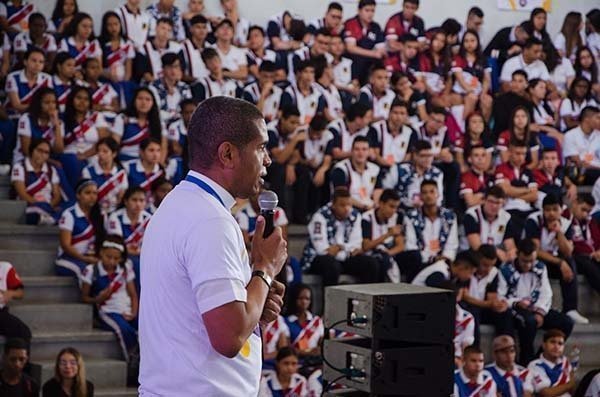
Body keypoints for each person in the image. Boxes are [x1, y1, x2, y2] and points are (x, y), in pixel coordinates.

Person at [139, 97, 287, 396]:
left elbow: (213, 317)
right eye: (260, 147)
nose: (268, 159)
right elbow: (228, 337)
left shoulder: (181, 203)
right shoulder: (210, 221)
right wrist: (264, 269)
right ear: (228, 154)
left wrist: (252, 304)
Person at [497, 238, 574, 364]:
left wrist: (540, 311)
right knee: (529, 322)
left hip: (536, 307)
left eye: (531, 261)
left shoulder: (540, 267)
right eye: (524, 261)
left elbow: (546, 292)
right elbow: (501, 297)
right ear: (518, 254)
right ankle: (525, 360)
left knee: (566, 322)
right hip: (515, 308)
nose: (527, 265)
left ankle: (540, 357)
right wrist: (516, 302)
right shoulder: (505, 270)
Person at [302, 186, 383, 287]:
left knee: (371, 264)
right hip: (318, 259)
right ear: (333, 204)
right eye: (342, 205)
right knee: (332, 265)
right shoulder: (320, 217)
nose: (347, 209)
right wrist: (347, 248)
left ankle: (366, 300)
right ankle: (330, 301)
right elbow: (322, 249)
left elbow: (356, 243)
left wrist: (341, 247)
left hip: (344, 256)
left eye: (349, 205)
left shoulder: (355, 216)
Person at [524, 194, 586, 324]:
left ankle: (570, 309)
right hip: (535, 260)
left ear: (561, 209)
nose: (551, 213)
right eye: (547, 210)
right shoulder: (533, 220)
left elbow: (568, 251)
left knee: (570, 262)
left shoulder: (566, 223)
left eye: (554, 209)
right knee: (554, 263)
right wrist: (560, 262)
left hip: (554, 260)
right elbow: (534, 251)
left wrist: (559, 232)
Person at [81, 235, 139, 361]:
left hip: (126, 309)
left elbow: (133, 294)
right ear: (101, 253)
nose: (112, 261)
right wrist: (98, 299)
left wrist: (134, 312)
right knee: (124, 330)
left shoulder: (125, 269)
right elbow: (84, 297)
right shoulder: (91, 270)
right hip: (108, 311)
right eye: (108, 257)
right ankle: (132, 360)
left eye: (116, 258)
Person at [461, 245, 515, 345]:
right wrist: (476, 301)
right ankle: (474, 349)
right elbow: (463, 297)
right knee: (472, 314)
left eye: (491, 265)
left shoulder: (494, 273)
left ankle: (507, 347)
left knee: (504, 313)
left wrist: (497, 305)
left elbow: (491, 301)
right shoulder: (467, 270)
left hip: (483, 309)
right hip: (467, 308)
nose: (488, 269)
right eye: (485, 265)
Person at [56, 179, 105, 279]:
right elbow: (66, 245)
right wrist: (84, 258)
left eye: (95, 193)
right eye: (87, 193)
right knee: (87, 272)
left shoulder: (101, 215)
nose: (92, 197)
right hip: (68, 258)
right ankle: (86, 295)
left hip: (92, 256)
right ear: (78, 195)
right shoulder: (69, 214)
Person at [106, 187, 151, 293]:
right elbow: (116, 245)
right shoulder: (116, 217)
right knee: (136, 264)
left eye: (141, 200)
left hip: (143, 254)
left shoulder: (149, 219)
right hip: (122, 255)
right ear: (126, 201)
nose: (138, 204)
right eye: (134, 200)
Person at [404, 180, 458, 266]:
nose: (428, 195)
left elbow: (452, 245)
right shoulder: (411, 217)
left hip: (444, 262)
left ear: (438, 194)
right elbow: (411, 246)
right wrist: (431, 259)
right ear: (420, 196)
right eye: (424, 193)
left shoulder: (450, 217)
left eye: (432, 192)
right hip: (420, 262)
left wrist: (444, 259)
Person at [11, 138, 63, 225]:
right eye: (39, 151)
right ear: (32, 150)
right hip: (28, 205)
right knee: (34, 212)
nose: (42, 155)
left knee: (65, 210)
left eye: (46, 153)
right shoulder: (19, 167)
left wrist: (49, 205)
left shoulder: (51, 170)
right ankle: (51, 218)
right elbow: (22, 194)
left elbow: (57, 196)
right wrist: (43, 205)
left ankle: (47, 218)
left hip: (48, 204)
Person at [382, 139, 444, 210]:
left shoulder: (437, 173)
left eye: (430, 156)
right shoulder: (399, 169)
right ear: (415, 155)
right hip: (400, 209)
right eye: (423, 156)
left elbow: (439, 198)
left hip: (426, 211)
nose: (428, 159)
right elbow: (386, 191)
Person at [495, 139, 539, 237]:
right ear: (510, 153)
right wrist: (526, 190)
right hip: (509, 209)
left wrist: (512, 194)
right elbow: (504, 190)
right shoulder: (501, 168)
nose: (521, 157)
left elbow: (534, 195)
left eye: (523, 154)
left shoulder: (527, 171)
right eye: (517, 153)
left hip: (527, 209)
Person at [463, 187, 517, 263]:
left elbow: (510, 244)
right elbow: (476, 246)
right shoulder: (472, 215)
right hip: (473, 256)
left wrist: (511, 254)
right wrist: (497, 251)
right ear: (484, 200)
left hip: (496, 258)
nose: (494, 206)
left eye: (498, 203)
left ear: (503, 203)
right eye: (491, 202)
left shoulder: (506, 217)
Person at [361, 189, 404, 283]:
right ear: (381, 204)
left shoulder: (397, 217)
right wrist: (388, 234)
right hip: (369, 255)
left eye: (396, 207)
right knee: (376, 263)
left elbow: (400, 246)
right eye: (391, 206)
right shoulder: (367, 218)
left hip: (387, 254)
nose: (393, 211)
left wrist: (388, 253)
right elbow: (366, 246)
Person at [113, 87, 166, 162]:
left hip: (150, 164)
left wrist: (158, 167)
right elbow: (115, 145)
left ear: (153, 103)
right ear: (134, 101)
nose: (143, 103)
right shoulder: (122, 118)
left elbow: (163, 147)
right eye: (140, 98)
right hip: (125, 162)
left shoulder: (159, 122)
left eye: (148, 99)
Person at [330, 136, 381, 211]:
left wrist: (375, 205)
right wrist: (364, 207)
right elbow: (341, 196)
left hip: (369, 207)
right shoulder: (341, 169)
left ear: (369, 152)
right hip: (347, 207)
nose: (360, 153)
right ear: (352, 151)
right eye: (357, 149)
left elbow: (378, 190)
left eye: (364, 149)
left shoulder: (375, 169)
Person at [81, 137, 128, 216]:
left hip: (115, 212)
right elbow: (86, 197)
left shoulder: (121, 173)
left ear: (114, 154)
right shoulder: (88, 171)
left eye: (105, 151)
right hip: (94, 212)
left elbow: (121, 196)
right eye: (99, 151)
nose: (100, 154)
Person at [342, 0, 385, 85]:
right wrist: (373, 53)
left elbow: (380, 50)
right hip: (353, 62)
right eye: (367, 10)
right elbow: (351, 48)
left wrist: (376, 54)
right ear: (359, 11)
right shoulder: (351, 23)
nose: (370, 14)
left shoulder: (376, 27)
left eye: (372, 11)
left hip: (369, 64)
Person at [368, 98, 417, 168]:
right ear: (389, 113)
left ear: (406, 116)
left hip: (400, 169)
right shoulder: (376, 128)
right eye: (395, 113)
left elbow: (408, 155)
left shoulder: (410, 132)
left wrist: (397, 169)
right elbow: (374, 154)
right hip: (379, 167)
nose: (399, 117)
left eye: (402, 113)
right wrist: (389, 166)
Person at [526, 329, 576, 397]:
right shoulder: (535, 365)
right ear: (544, 345)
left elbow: (572, 391)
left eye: (560, 344)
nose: (556, 347)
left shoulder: (565, 364)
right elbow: (546, 393)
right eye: (552, 342)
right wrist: (570, 384)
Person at [5, 48, 52, 117]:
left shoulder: (47, 78)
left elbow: (48, 102)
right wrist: (40, 107)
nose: (37, 64)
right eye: (34, 61)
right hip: (14, 116)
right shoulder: (13, 77)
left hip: (37, 116)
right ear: (25, 62)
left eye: (41, 62)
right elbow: (16, 105)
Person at [148, 53, 192, 124]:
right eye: (169, 67)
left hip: (180, 126)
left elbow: (189, 109)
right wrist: (174, 115)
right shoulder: (154, 87)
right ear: (163, 68)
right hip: (161, 125)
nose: (173, 70)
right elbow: (155, 112)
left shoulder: (184, 87)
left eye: (176, 66)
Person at [284, 284, 324, 362]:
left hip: (314, 362)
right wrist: (307, 352)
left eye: (307, 299)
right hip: (293, 363)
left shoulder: (317, 321)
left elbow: (322, 345)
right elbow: (286, 349)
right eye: (300, 298)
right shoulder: (285, 321)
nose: (304, 302)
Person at [571, 194, 600, 296]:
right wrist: (592, 254)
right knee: (589, 266)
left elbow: (597, 239)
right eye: (583, 209)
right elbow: (574, 244)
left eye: (588, 211)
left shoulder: (589, 221)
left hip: (592, 256)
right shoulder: (566, 218)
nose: (585, 214)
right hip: (576, 256)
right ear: (575, 203)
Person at [138, 18, 183, 83]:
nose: (165, 32)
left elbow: (180, 71)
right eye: (163, 28)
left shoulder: (176, 48)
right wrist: (158, 85)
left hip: (173, 83)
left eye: (169, 30)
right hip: (151, 84)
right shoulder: (144, 48)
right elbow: (144, 73)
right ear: (156, 28)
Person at [563, 106, 600, 185]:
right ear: (587, 119)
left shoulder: (598, 135)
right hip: (581, 172)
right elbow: (578, 163)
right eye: (598, 118)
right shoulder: (570, 135)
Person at [492, 70, 533, 137]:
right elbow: (501, 122)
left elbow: (531, 121)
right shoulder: (501, 99)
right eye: (514, 80)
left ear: (526, 84)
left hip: (524, 133)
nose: (516, 84)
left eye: (520, 81)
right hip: (504, 134)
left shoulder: (528, 102)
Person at [0, 261, 31, 344]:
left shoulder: (5, 267)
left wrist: (11, 293)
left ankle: (16, 356)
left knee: (23, 332)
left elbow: (20, 293)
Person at [411, 249, 476, 288]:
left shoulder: (450, 273)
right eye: (470, 273)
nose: (470, 277)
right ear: (461, 267)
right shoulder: (440, 270)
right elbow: (431, 283)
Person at [459, 145, 494, 209]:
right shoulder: (466, 177)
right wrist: (490, 198)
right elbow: (470, 202)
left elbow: (500, 199)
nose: (480, 158)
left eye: (483, 155)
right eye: (476, 155)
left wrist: (480, 196)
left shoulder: (490, 176)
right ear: (469, 159)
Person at [181, 14, 209, 81]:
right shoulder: (183, 47)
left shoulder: (210, 47)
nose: (202, 31)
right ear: (191, 29)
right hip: (190, 85)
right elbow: (180, 73)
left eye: (204, 27)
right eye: (198, 27)